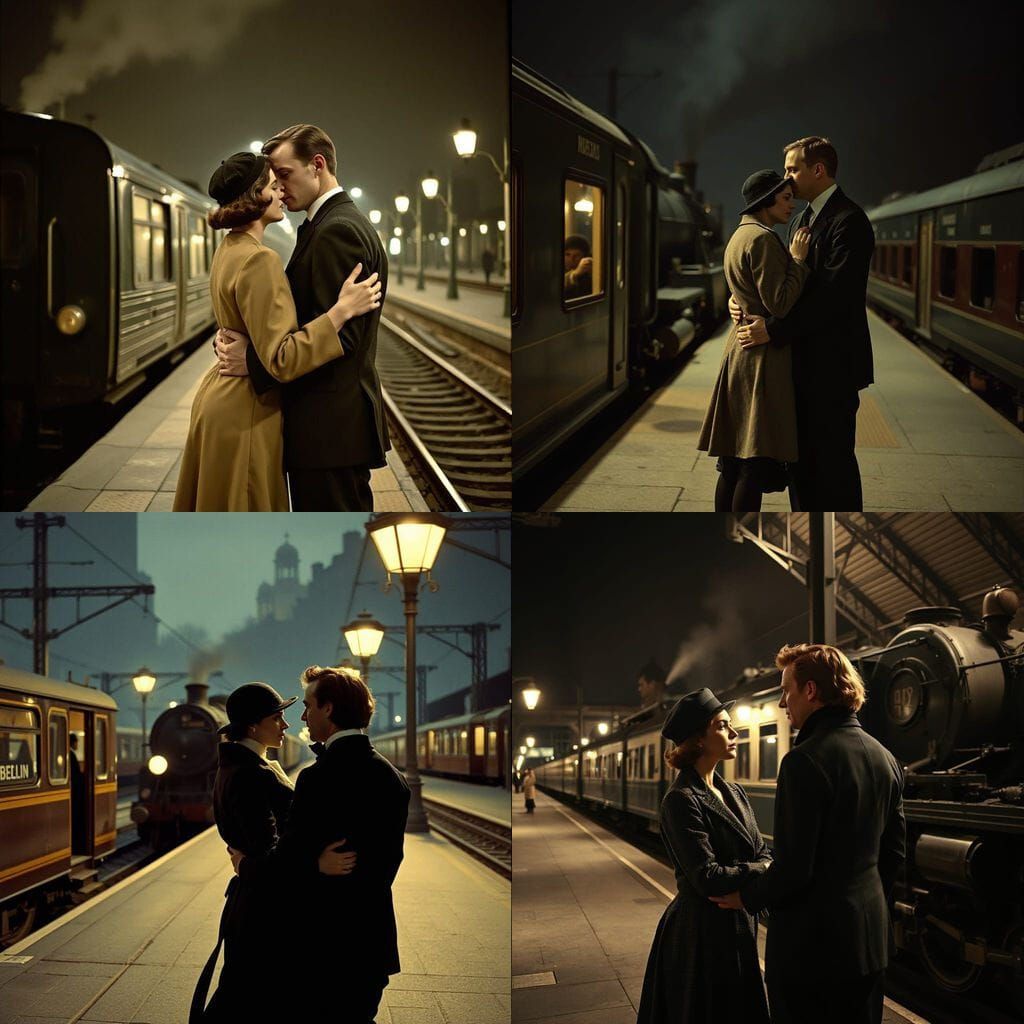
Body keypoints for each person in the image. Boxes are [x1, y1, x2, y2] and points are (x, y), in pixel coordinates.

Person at [173, 152, 381, 511]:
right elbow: (282, 359)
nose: (282, 192)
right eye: (273, 185)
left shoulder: (229, 250)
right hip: (247, 411)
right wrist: (339, 312)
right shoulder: (260, 259)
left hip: (221, 398)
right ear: (257, 198)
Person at [710, 644, 905, 1024]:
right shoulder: (886, 758)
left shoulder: (804, 760)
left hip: (812, 953)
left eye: (787, 690)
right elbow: (895, 853)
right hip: (869, 944)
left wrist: (745, 896)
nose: (784, 702)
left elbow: (794, 868)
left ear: (811, 691)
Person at [229, 666, 410, 1023]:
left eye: (309, 705)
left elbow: (288, 858)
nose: (302, 716)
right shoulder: (392, 776)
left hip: (322, 948)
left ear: (328, 709)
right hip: (371, 945)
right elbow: (384, 864)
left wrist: (244, 864)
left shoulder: (320, 777)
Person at [191, 682, 355, 1022]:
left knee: (244, 999)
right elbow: (269, 855)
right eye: (277, 718)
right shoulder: (249, 774)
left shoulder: (241, 766)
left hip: (256, 906)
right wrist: (317, 864)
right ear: (253, 725)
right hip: (264, 913)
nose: (286, 725)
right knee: (250, 1001)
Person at [730, 137, 875, 512]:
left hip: (832, 368)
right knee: (802, 470)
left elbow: (833, 298)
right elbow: (779, 285)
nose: (787, 178)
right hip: (798, 366)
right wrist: (739, 301)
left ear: (819, 170)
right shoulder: (800, 219)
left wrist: (773, 330)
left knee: (834, 467)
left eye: (793, 169)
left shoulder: (850, 221)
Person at [638, 689, 771, 1024]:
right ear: (698, 738)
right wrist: (762, 868)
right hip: (700, 935)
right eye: (723, 726)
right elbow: (707, 876)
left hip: (739, 925)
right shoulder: (681, 799)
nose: (734, 732)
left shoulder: (734, 792)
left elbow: (762, 851)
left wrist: (758, 866)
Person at [697, 169, 811, 514]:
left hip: (738, 352)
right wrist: (798, 261)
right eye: (786, 197)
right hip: (761, 359)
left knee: (732, 462)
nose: (792, 204)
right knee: (753, 462)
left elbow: (743, 293)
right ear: (766, 200)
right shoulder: (763, 239)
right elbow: (779, 302)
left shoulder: (738, 236)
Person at [563, 234, 593, 299]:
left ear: (584, 256)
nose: (571, 259)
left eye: (576, 255)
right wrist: (575, 274)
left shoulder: (588, 270)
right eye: (567, 254)